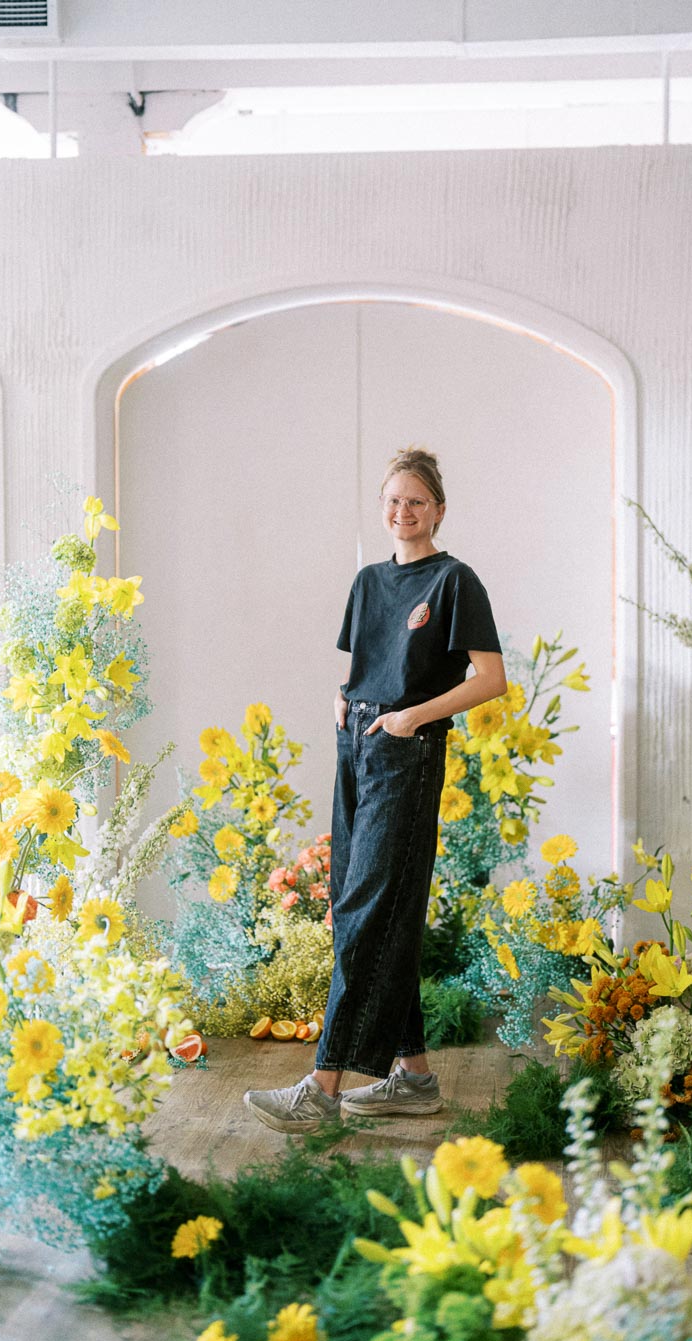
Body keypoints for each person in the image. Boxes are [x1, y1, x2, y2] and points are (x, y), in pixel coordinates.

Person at [244, 447, 507, 1133]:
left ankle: (323, 1087)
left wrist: (412, 717)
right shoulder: (367, 582)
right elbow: (365, 664)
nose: (402, 512)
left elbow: (490, 678)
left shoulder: (455, 581)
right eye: (393, 500)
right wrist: (343, 699)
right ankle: (413, 1077)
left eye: (416, 501)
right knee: (358, 902)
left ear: (438, 510)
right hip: (355, 746)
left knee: (369, 908)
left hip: (407, 752)